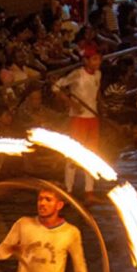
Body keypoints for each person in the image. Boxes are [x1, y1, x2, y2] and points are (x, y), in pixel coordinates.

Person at [53, 45, 102, 197]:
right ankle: (68, 189)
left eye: (99, 59)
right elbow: (56, 87)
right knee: (73, 154)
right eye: (94, 59)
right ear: (85, 60)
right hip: (78, 119)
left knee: (91, 153)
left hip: (93, 118)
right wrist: (71, 103)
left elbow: (96, 93)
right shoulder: (77, 74)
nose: (98, 62)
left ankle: (89, 190)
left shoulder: (98, 74)